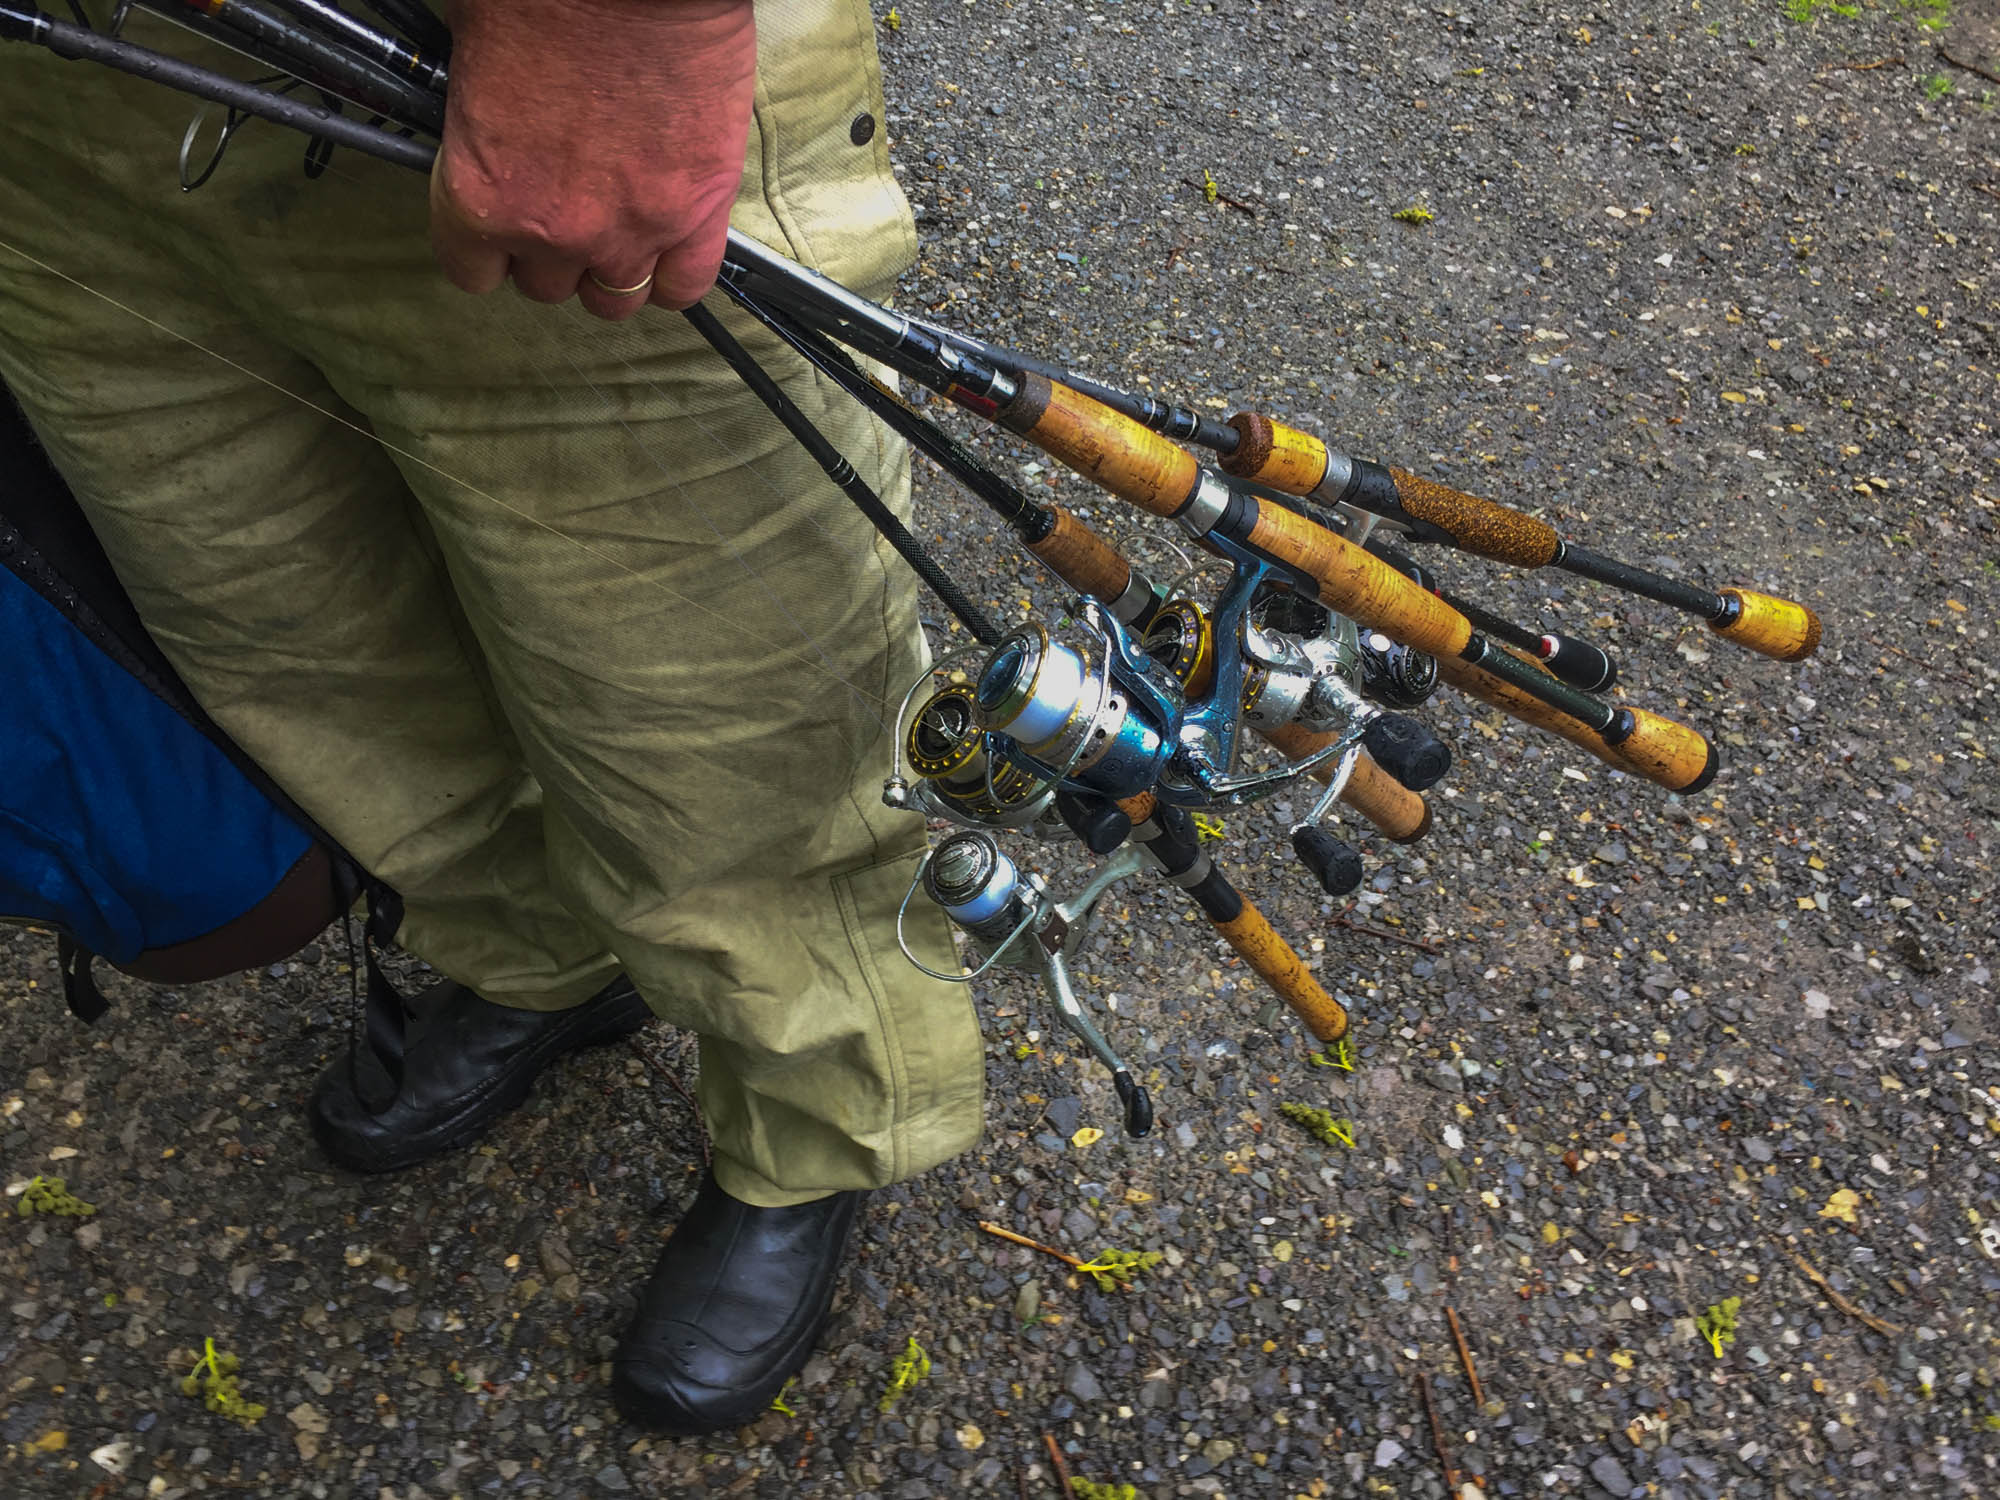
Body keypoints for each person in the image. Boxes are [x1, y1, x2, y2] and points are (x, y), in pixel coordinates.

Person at [0, 0, 984, 1435]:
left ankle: (818, 1114)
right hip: (48, 109)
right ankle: (536, 949)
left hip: (477, 41)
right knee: (297, 637)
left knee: (717, 695)